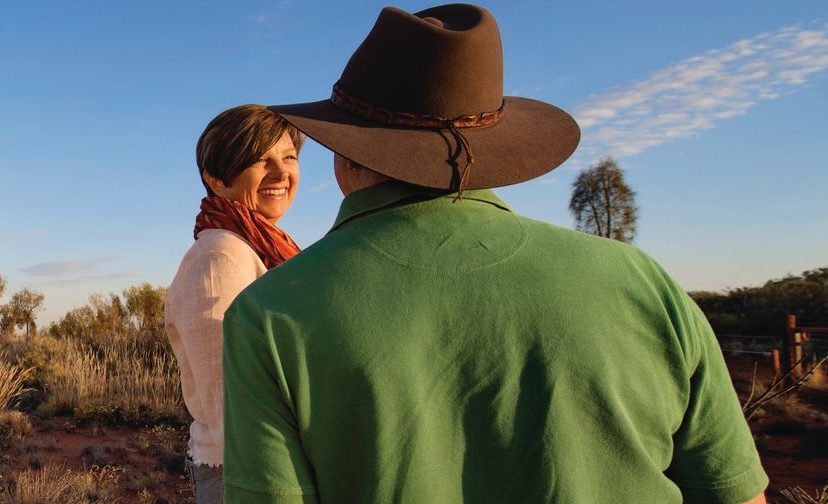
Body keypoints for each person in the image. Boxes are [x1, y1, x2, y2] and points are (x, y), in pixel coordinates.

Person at [222, 4, 768, 503]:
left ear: (344, 149)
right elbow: (736, 494)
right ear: (490, 146)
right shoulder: (640, 280)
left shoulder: (272, 313)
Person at [166, 104, 303, 504]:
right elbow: (226, 399)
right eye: (260, 160)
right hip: (247, 472)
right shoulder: (220, 256)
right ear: (216, 178)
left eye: (289, 157)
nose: (280, 173)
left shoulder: (260, 245)